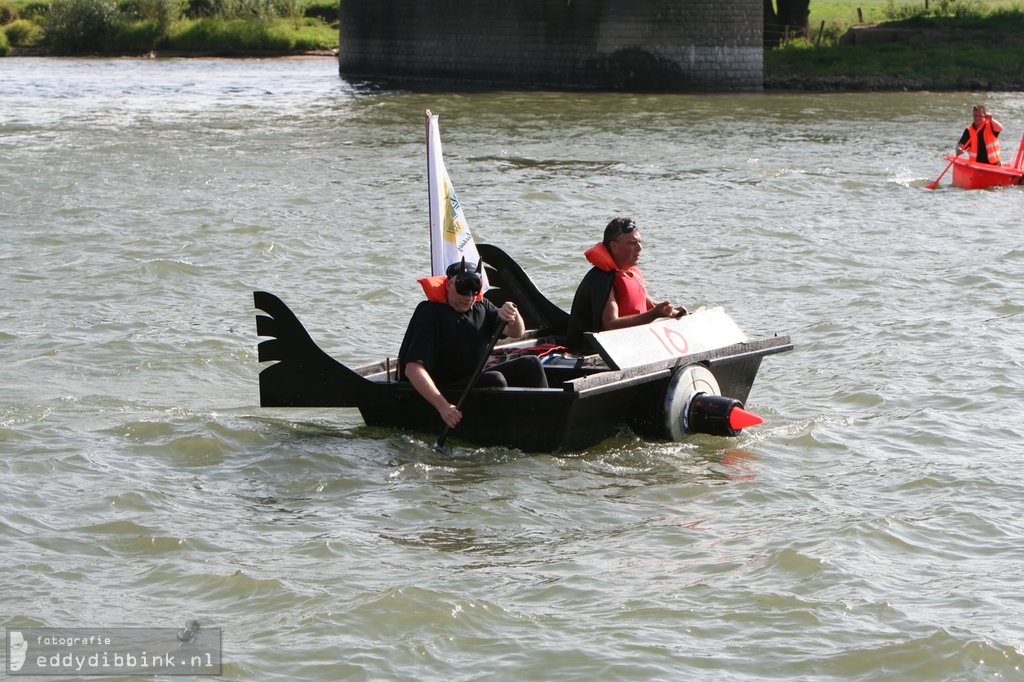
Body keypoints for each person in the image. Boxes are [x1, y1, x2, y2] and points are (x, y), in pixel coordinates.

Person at [398, 258, 548, 429]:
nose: (468, 297)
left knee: (531, 364)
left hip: (471, 381)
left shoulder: (481, 306)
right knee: (495, 379)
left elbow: (516, 332)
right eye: (463, 289)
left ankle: (545, 421)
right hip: (444, 389)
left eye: (474, 289)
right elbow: (412, 369)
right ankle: (506, 429)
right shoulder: (431, 314)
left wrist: (513, 315)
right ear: (448, 285)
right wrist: (443, 407)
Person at [566, 217, 686, 350]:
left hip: (632, 344)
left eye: (640, 242)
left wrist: (670, 311)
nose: (639, 248)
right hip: (602, 352)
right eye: (632, 243)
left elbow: (640, 299)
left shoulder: (630, 272)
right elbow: (611, 324)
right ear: (614, 246)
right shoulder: (604, 279)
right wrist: (653, 314)